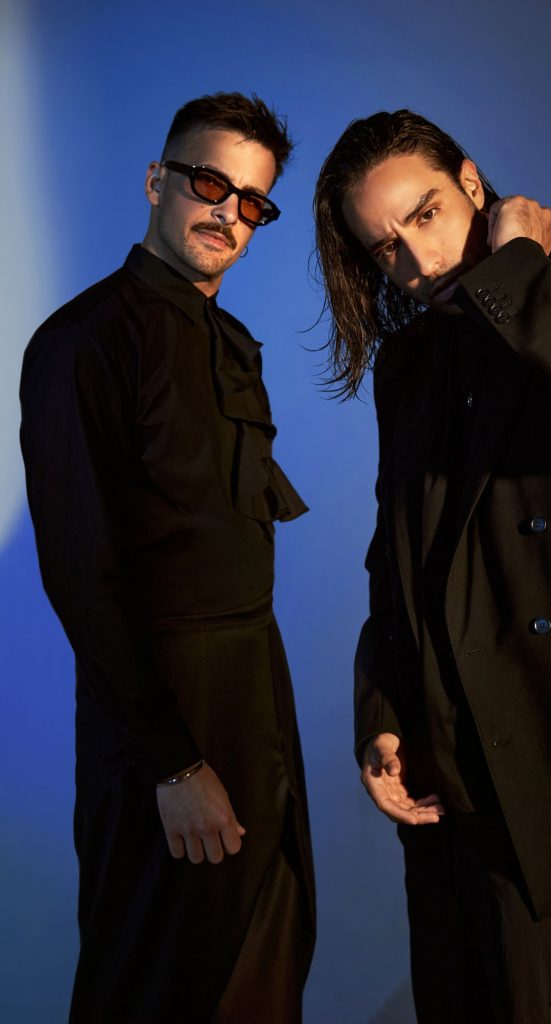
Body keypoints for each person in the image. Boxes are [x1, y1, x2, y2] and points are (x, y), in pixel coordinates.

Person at [313, 109, 551, 1021]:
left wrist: (517, 267)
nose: (418, 261)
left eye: (427, 214)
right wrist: (381, 713)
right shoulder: (410, 362)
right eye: (386, 247)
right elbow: (396, 550)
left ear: (473, 185)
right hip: (446, 753)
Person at [20, 92, 314, 1024]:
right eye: (210, 184)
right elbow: (82, 571)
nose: (230, 214)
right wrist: (173, 764)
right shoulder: (83, 341)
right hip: (159, 714)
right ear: (158, 180)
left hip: (257, 689)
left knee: (266, 957)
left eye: (253, 201)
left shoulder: (231, 340)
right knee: (153, 980)